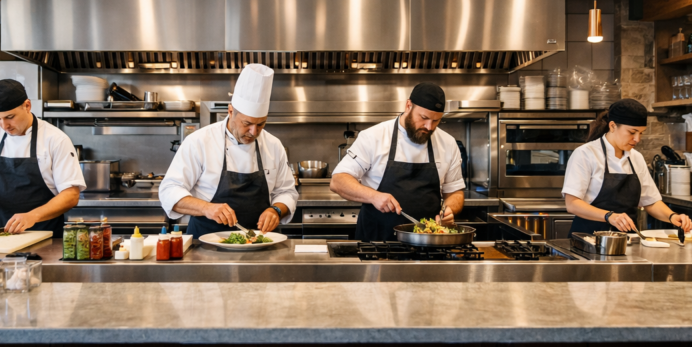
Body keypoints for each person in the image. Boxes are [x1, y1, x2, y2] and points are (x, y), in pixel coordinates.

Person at [159, 64, 298, 238]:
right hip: (206, 244)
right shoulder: (199, 142)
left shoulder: (273, 145)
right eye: (247, 124)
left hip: (262, 243)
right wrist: (206, 208)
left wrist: (276, 210)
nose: (254, 132)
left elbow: (287, 192)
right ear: (231, 111)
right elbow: (169, 191)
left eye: (261, 124)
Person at [330, 82, 465, 242]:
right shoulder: (374, 137)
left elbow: (455, 192)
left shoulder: (448, 143)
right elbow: (338, 181)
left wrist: (449, 210)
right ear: (408, 105)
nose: (429, 127)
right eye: (423, 118)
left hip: (428, 244)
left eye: (436, 121)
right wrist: (374, 196)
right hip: (378, 241)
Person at [0, 79, 85, 236]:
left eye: (10, 117)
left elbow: (71, 195)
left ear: (27, 106)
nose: (4, 125)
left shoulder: (55, 139)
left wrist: (32, 216)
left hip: (42, 236)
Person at [563, 98, 692, 236]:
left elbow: (651, 201)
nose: (637, 139)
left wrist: (672, 216)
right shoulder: (585, 154)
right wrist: (609, 216)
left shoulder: (636, 157)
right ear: (612, 126)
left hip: (626, 242)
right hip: (587, 240)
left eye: (641, 133)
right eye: (632, 132)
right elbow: (572, 204)